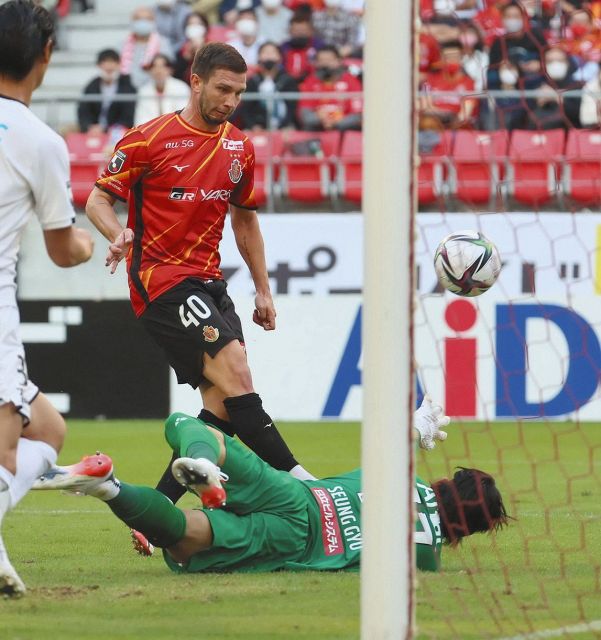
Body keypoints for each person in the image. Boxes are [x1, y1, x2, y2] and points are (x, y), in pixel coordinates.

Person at [85, 42, 314, 514]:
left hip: (210, 283)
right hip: (161, 279)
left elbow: (245, 220)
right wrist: (119, 233)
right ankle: (305, 485)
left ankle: (155, 514)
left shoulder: (239, 147)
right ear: (196, 81)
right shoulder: (147, 139)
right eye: (223, 89)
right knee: (238, 374)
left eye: (239, 93)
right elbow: (97, 201)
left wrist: (264, 289)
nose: (230, 102)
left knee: (222, 410)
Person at [32, 397, 509, 573]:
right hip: (300, 542)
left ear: (450, 482)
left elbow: (384, 444)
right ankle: (107, 488)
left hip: (301, 497)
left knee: (187, 424)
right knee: (182, 541)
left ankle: (203, 463)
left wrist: (412, 430)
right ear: (469, 529)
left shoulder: (399, 476)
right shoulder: (427, 555)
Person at [0, 0, 94, 597]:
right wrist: (91, 243)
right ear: (47, 55)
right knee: (10, 451)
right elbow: (64, 250)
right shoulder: (39, 140)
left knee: (48, 429)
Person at [297, 44, 362, 131]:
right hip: (317, 129)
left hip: (345, 130)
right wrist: (320, 119)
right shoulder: (310, 82)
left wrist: (336, 122)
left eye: (329, 60)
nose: (325, 64)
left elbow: (357, 115)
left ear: (339, 61)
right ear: (316, 63)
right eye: (321, 61)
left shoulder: (351, 81)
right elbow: (305, 114)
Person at [420, 40, 479, 130]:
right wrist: (441, 114)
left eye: (455, 57)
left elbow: (465, 113)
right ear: (442, 59)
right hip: (434, 121)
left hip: (456, 125)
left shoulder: (469, 82)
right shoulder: (431, 79)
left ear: (461, 58)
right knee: (427, 123)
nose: (451, 61)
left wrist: (452, 121)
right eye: (448, 57)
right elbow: (425, 106)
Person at [240, 41, 299, 130]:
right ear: (259, 57)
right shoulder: (252, 81)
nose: (269, 56)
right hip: (257, 126)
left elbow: (292, 108)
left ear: (280, 57)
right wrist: (253, 125)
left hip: (284, 126)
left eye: (272, 52)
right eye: (265, 52)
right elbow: (246, 108)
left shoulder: (288, 81)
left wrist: (282, 126)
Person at [77, 49, 137, 135]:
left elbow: (128, 116)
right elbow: (83, 111)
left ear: (119, 65)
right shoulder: (91, 86)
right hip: (92, 130)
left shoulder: (128, 87)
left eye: (113, 62)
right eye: (105, 62)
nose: (109, 66)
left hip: (117, 131)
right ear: (99, 65)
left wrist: (105, 129)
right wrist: (88, 126)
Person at [120, 5, 172, 90]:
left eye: (147, 19)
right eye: (138, 19)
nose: (143, 22)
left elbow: (167, 70)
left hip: (154, 91)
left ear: (154, 22)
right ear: (132, 22)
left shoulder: (163, 43)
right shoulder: (122, 44)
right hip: (127, 90)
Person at [134, 54, 191, 125]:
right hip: (150, 131)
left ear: (170, 69)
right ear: (150, 70)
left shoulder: (181, 88)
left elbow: (183, 116)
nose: (158, 71)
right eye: (155, 66)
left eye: (162, 66)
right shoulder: (143, 91)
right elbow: (141, 119)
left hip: (176, 130)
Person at [281, 14, 324, 82]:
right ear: (290, 31)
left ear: (311, 31)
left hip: (313, 81)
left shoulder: (319, 46)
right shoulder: (284, 47)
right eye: (296, 30)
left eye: (303, 30)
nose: (300, 33)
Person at [174, 12, 209, 84]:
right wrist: (185, 58)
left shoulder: (214, 50)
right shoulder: (180, 52)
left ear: (205, 27)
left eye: (198, 24)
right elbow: (176, 78)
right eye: (191, 24)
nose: (194, 27)